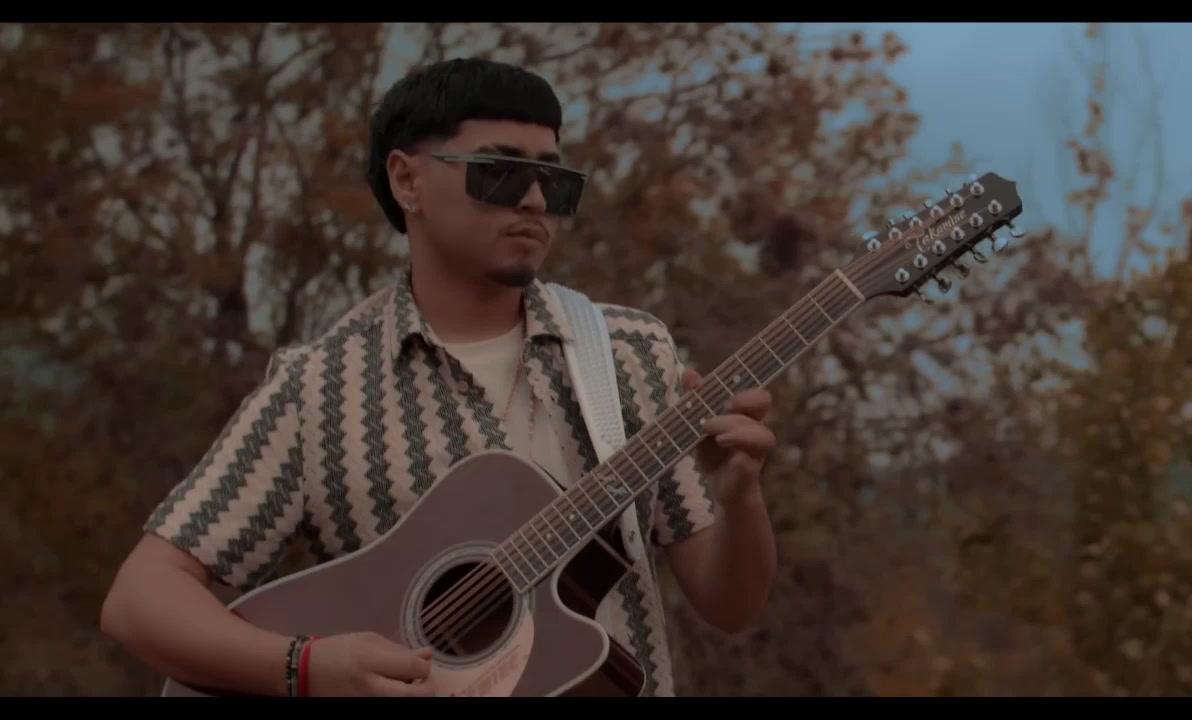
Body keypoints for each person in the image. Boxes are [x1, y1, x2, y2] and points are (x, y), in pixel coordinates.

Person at [99, 57, 778, 698]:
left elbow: (731, 606)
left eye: (553, 179)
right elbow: (140, 599)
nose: (534, 200)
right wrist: (307, 666)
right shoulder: (321, 390)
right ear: (407, 181)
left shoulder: (631, 355)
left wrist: (741, 496)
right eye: (500, 172)